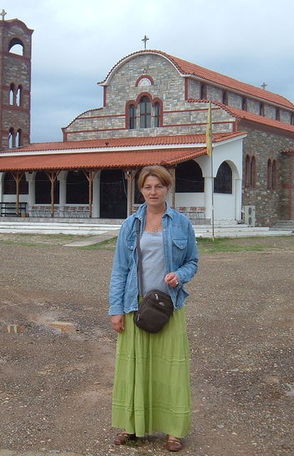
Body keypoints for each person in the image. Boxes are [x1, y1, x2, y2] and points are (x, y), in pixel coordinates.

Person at [108, 165, 199, 452]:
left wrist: (179, 275)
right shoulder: (130, 225)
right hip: (135, 305)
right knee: (134, 368)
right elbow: (120, 269)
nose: (153, 192)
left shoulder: (182, 224)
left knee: (171, 369)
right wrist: (116, 309)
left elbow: (192, 262)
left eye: (158, 186)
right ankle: (132, 427)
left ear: (167, 188)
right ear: (141, 190)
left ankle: (174, 431)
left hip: (168, 307)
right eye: (147, 187)